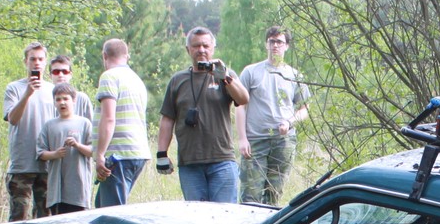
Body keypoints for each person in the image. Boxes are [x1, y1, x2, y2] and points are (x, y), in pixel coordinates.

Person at [155, 26, 248, 203]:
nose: (201, 50)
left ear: (213, 47)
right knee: (196, 216)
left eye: (205, 45)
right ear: (188, 49)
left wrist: (225, 77)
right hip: (190, 163)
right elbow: (167, 119)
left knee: (225, 214)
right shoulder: (177, 80)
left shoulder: (224, 75)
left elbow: (243, 99)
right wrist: (161, 154)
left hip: (222, 159)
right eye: (196, 46)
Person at [237, 26, 310, 205]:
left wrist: (290, 122)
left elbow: (305, 109)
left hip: (283, 142)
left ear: (287, 46)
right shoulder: (251, 72)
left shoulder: (295, 76)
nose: (275, 45)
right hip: (255, 140)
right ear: (266, 44)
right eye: (272, 41)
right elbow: (240, 105)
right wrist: (242, 139)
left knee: (273, 194)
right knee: (250, 196)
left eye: (279, 42)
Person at [1, 42, 60, 221]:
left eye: (40, 59)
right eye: (33, 59)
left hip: (47, 162)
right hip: (22, 163)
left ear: (45, 62)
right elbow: (13, 119)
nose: (36, 63)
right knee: (18, 216)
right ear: (25, 61)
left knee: (46, 217)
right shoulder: (14, 88)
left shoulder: (53, 90)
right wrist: (27, 94)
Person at [92, 37, 149, 208]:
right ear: (127, 56)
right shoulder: (136, 80)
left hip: (118, 154)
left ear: (104, 56)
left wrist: (100, 154)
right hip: (137, 152)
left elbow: (109, 118)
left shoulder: (109, 77)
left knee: (112, 213)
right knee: (101, 206)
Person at [39, 83, 96, 215]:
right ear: (54, 102)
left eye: (65, 98)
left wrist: (77, 145)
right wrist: (55, 154)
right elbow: (41, 153)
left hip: (78, 190)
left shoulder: (84, 123)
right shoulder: (49, 125)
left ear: (74, 100)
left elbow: (93, 151)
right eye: (58, 99)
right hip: (56, 192)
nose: (62, 102)